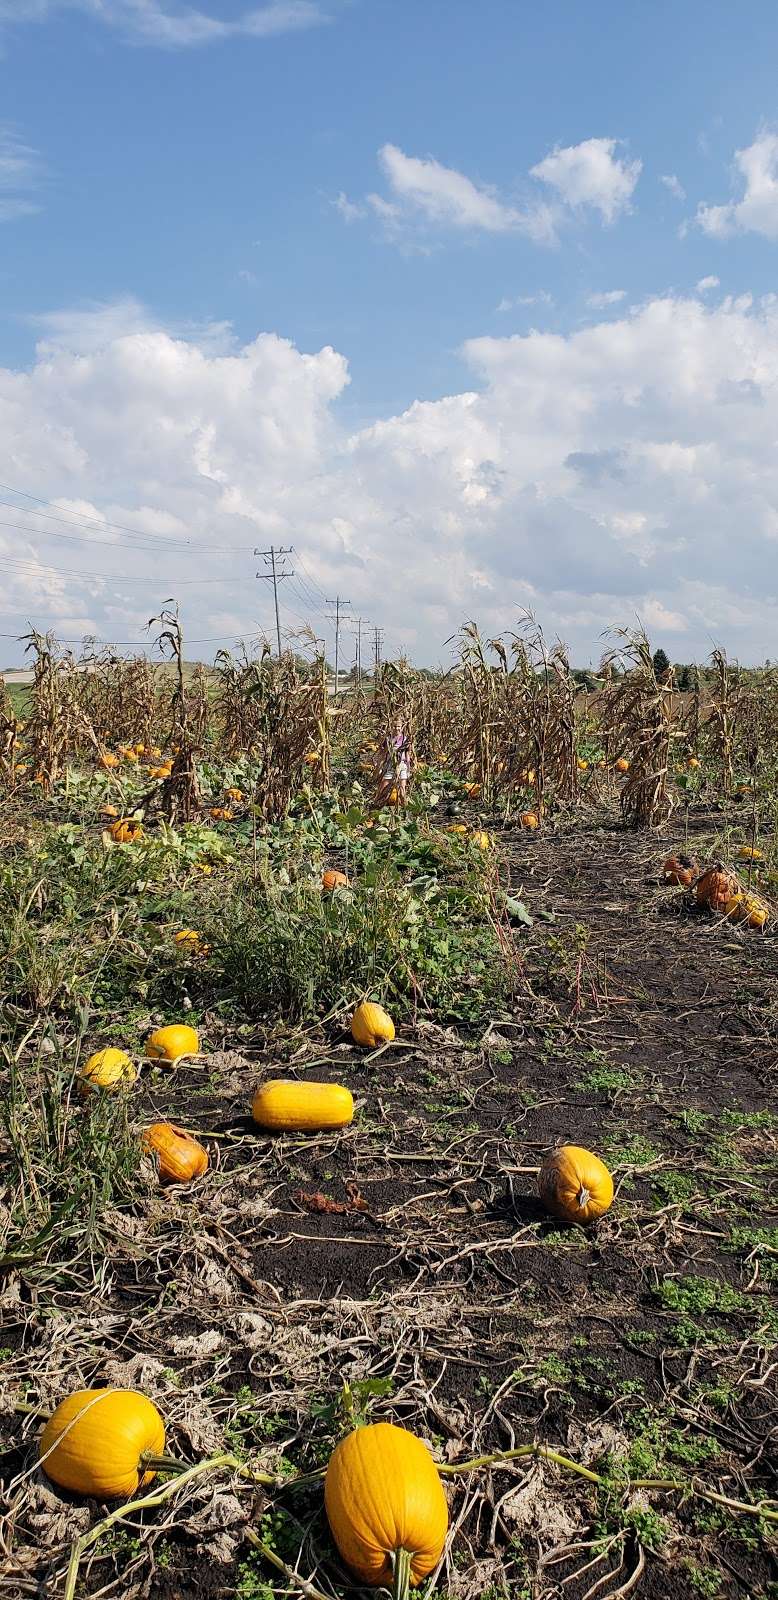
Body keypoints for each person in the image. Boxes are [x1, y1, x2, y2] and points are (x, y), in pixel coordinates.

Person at [375, 715, 411, 806]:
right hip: (391, 764)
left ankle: (405, 810)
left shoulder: (405, 739)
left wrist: (409, 768)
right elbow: (383, 754)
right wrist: (379, 767)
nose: (397, 728)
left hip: (402, 765)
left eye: (398, 726)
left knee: (402, 790)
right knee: (383, 787)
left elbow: (408, 754)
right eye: (394, 726)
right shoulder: (388, 739)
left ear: (402, 727)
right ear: (391, 727)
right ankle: (375, 805)